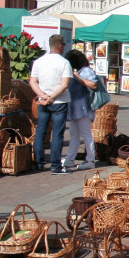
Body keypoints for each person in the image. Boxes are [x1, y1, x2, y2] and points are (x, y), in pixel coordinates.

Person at [29, 34, 72, 174]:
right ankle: (55, 165)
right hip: (59, 101)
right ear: (60, 46)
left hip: (43, 101)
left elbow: (33, 82)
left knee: (40, 132)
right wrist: (52, 97)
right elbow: (64, 84)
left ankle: (39, 163)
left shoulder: (39, 62)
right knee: (57, 134)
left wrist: (43, 96)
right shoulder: (64, 62)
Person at [62, 49, 98, 171]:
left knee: (86, 134)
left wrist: (78, 79)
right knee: (74, 134)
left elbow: (93, 84)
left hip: (83, 108)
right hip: (75, 108)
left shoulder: (86, 71)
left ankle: (90, 159)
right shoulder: (76, 71)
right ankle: (70, 158)